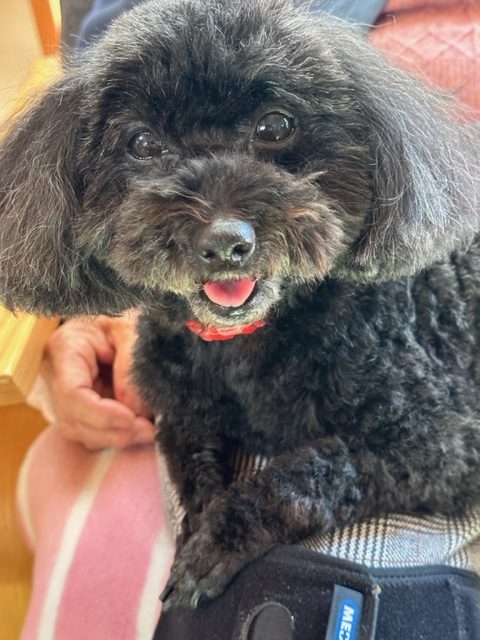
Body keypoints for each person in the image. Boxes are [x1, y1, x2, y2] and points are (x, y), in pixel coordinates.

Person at [18, 1, 480, 639]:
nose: (221, 230)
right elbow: (183, 415)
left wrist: (252, 517)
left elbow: (441, 452)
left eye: (273, 129)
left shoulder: (369, 350)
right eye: (144, 145)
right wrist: (203, 501)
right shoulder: (168, 361)